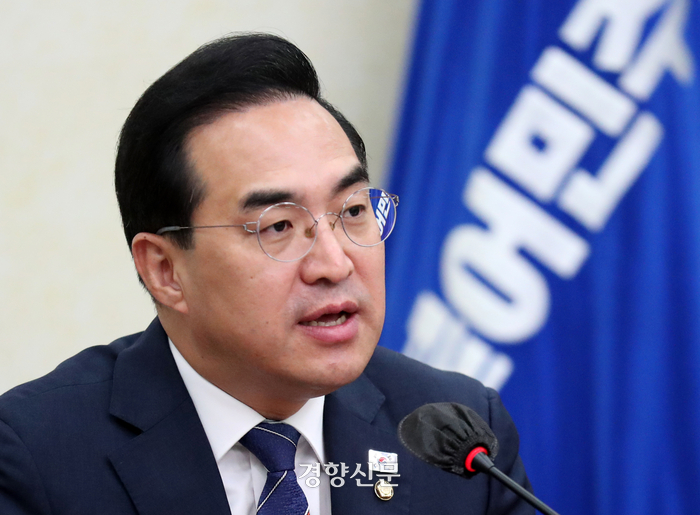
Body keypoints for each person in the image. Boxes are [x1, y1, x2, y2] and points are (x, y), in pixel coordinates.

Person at [0, 33, 534, 514]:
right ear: (165, 270)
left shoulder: (461, 440)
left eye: (352, 211)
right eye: (278, 226)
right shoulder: (37, 458)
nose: (335, 264)